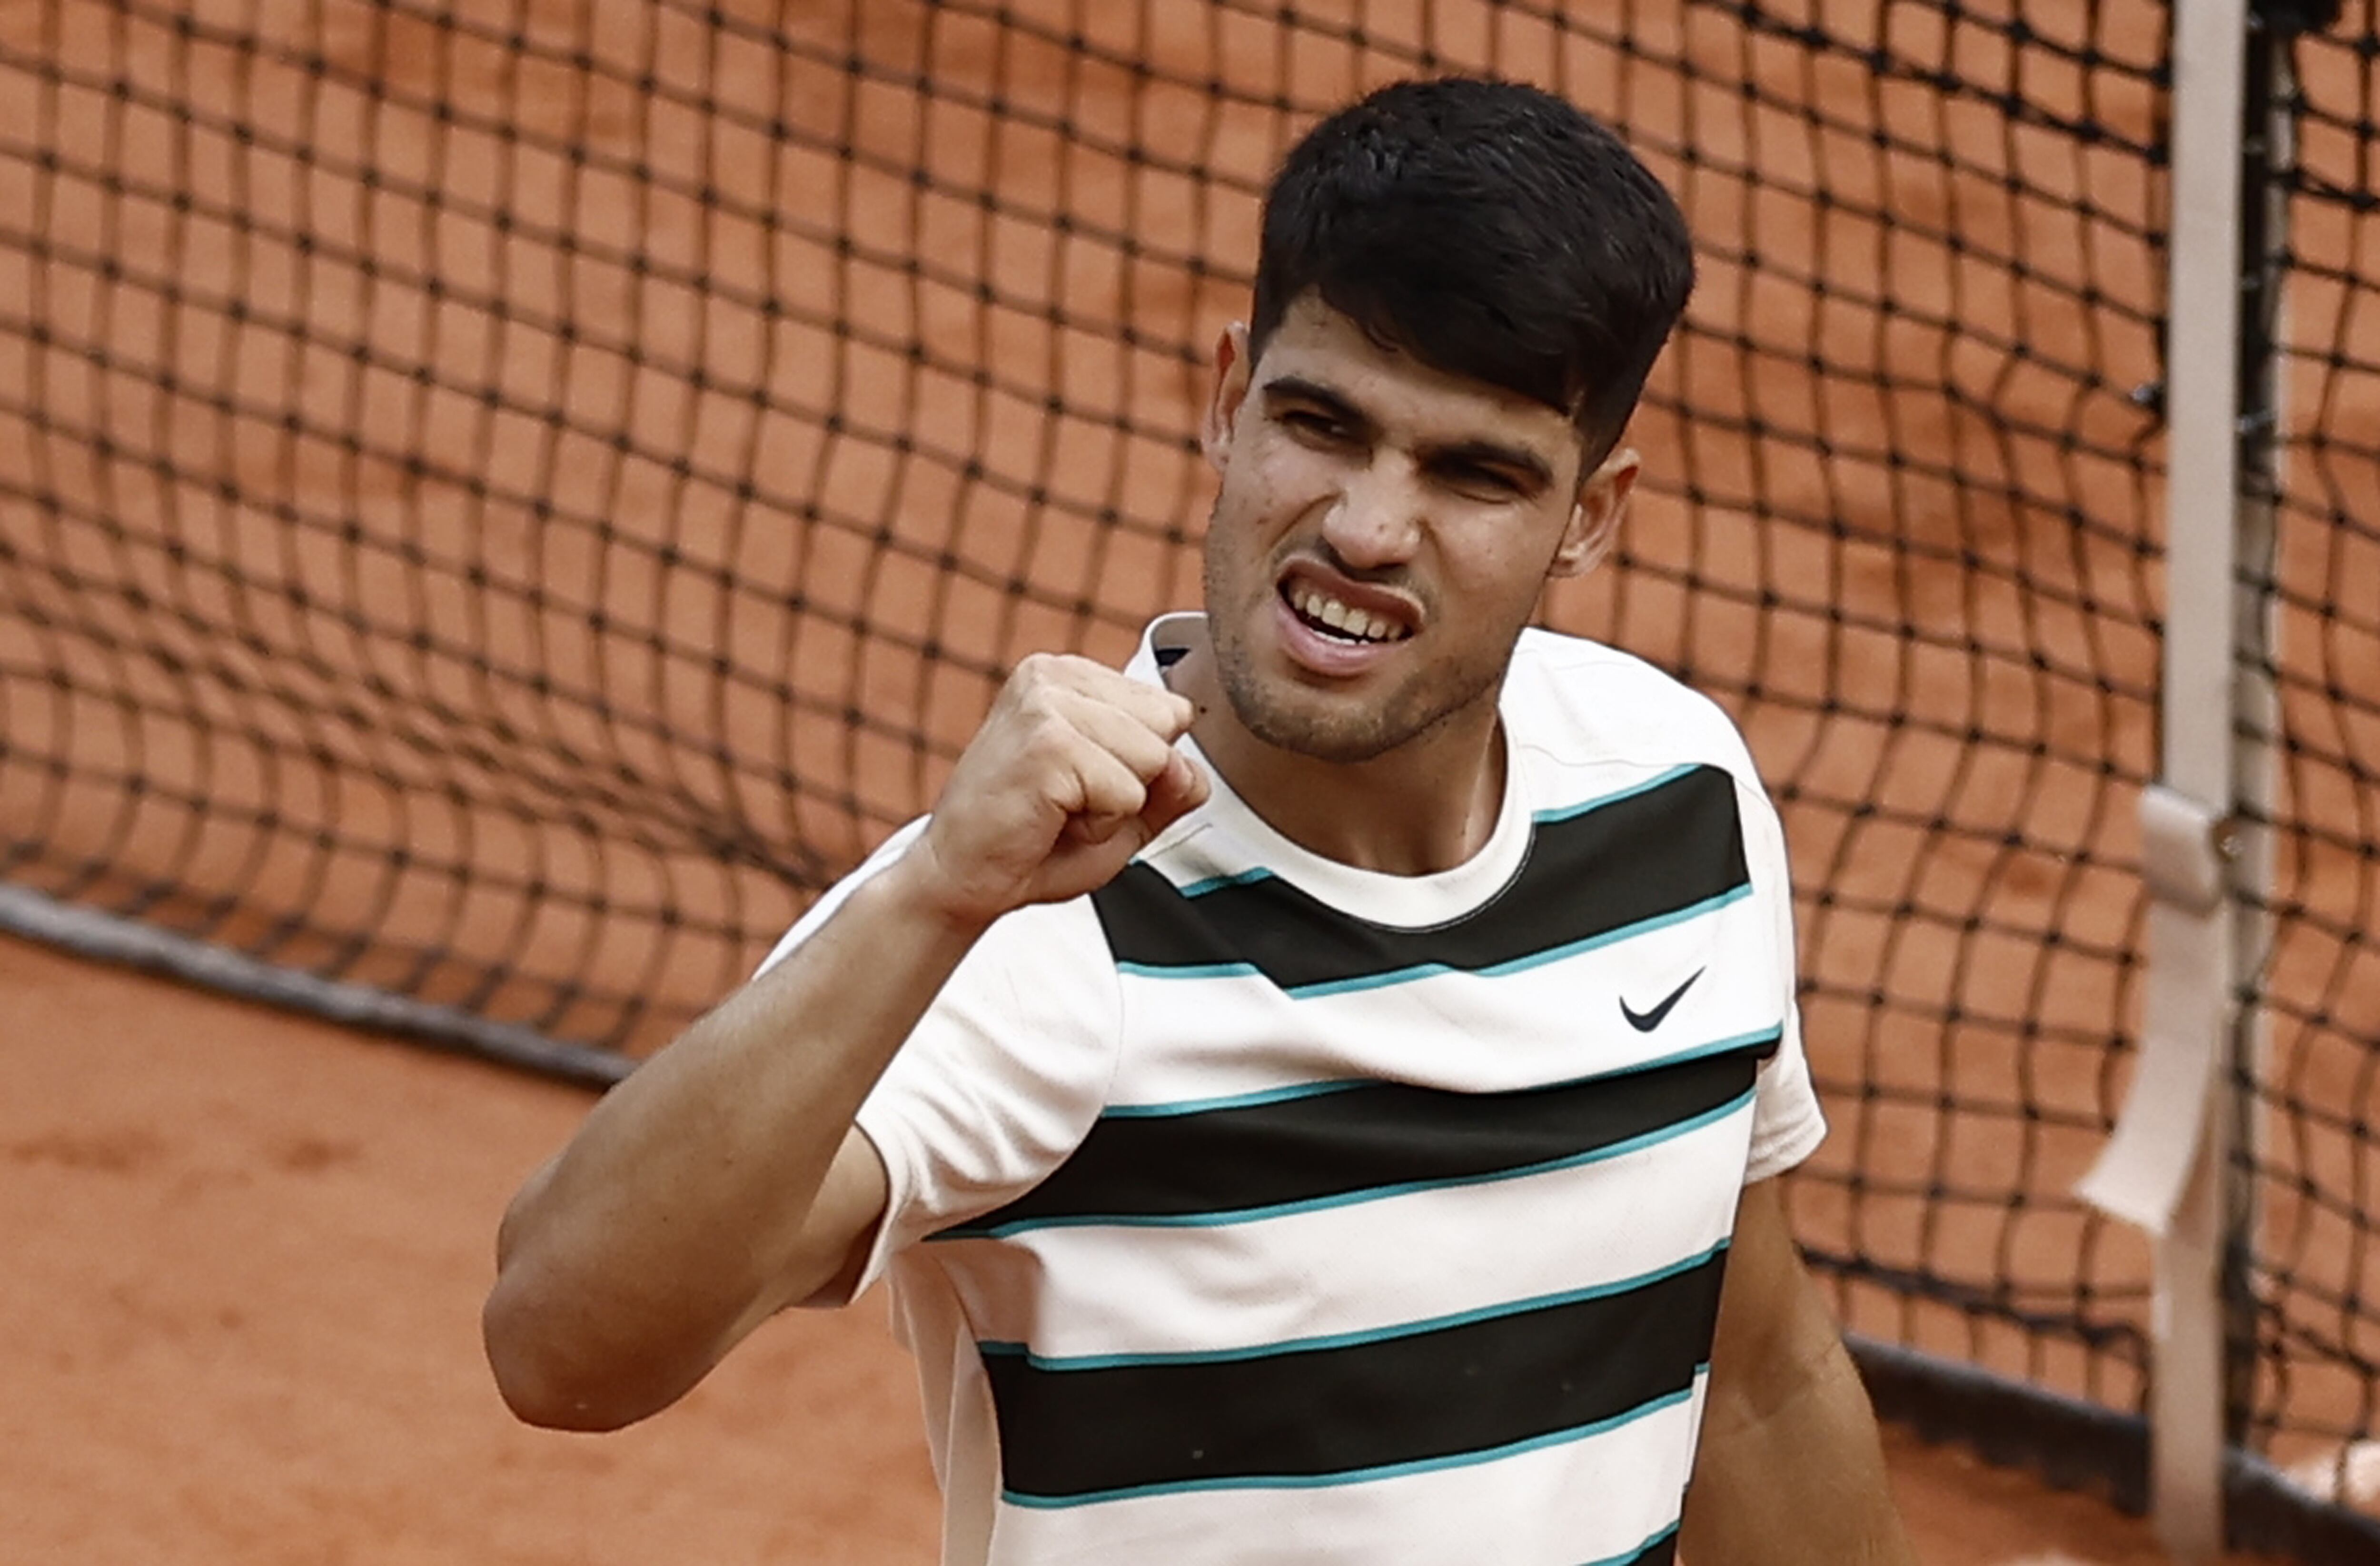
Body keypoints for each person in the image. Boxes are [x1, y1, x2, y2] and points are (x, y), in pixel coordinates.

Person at [484, 76, 1917, 1566]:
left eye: (1473, 472)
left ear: (1592, 514)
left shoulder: (1676, 794)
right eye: (1322, 424)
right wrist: (928, 900)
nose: (1367, 527)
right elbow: (559, 1345)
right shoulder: (1041, 931)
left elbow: (1751, 1374)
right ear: (1229, 401)